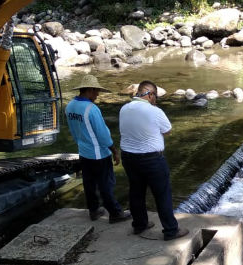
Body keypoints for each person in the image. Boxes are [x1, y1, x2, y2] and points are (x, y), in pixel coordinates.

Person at [119, 80, 188, 240]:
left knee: (136, 191)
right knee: (162, 194)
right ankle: (171, 230)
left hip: (129, 158)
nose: (156, 99)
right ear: (150, 94)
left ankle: (139, 225)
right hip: (151, 159)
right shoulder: (154, 111)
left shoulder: (124, 108)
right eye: (155, 96)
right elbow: (168, 130)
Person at [65, 75, 131, 223]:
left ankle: (93, 210)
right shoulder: (91, 109)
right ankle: (115, 213)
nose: (97, 95)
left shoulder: (70, 106)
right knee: (106, 184)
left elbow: (73, 131)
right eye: (96, 91)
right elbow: (102, 134)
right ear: (89, 90)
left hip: (83, 152)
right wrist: (114, 150)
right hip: (98, 154)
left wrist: (81, 144)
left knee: (89, 183)